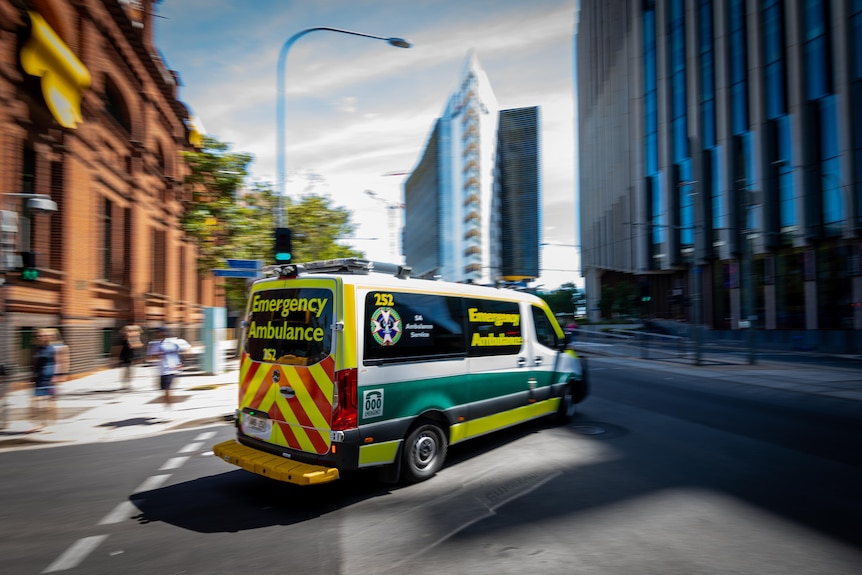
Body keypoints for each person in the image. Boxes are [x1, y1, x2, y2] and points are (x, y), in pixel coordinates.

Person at [146, 326, 190, 408]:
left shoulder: (175, 342)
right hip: (162, 370)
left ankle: (169, 408)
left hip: (172, 369)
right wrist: (157, 356)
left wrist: (182, 362)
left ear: (165, 333)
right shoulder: (155, 344)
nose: (157, 334)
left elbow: (188, 349)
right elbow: (149, 357)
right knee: (163, 389)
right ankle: (168, 405)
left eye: (159, 332)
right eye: (157, 332)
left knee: (167, 389)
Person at [30, 328, 57, 431]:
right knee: (36, 400)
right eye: (37, 336)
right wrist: (32, 376)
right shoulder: (36, 349)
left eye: (41, 335)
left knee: (49, 400)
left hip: (50, 379)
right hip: (39, 378)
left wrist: (56, 376)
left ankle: (45, 422)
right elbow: (34, 363)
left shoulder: (52, 348)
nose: (39, 337)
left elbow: (57, 362)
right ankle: (40, 423)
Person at [119, 324, 143, 390]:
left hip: (130, 356)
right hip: (125, 356)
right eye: (126, 332)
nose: (127, 333)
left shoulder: (130, 339)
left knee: (129, 370)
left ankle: (128, 384)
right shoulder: (125, 340)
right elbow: (129, 346)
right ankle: (125, 384)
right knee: (126, 371)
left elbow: (134, 346)